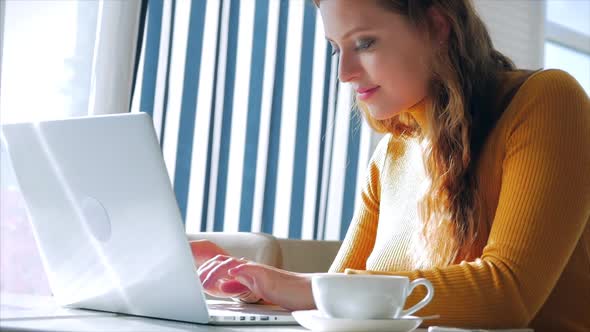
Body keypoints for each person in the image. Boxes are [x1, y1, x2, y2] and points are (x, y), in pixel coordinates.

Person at [191, 1, 590, 331]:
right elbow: (339, 300)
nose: (344, 72)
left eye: (364, 43)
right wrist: (249, 283)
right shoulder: (391, 155)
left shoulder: (547, 100)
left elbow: (508, 296)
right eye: (336, 48)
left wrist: (300, 286)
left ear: (436, 26)